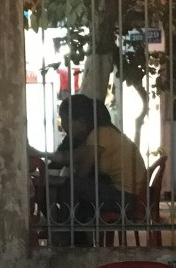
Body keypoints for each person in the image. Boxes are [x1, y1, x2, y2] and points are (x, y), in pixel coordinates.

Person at [48, 94, 147, 244]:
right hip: (126, 195)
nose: (63, 125)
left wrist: (54, 180)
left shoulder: (100, 134)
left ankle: (64, 236)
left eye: (66, 120)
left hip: (126, 198)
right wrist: (36, 153)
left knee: (74, 188)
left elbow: (80, 175)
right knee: (81, 197)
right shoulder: (102, 133)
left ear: (81, 121)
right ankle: (76, 241)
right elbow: (68, 156)